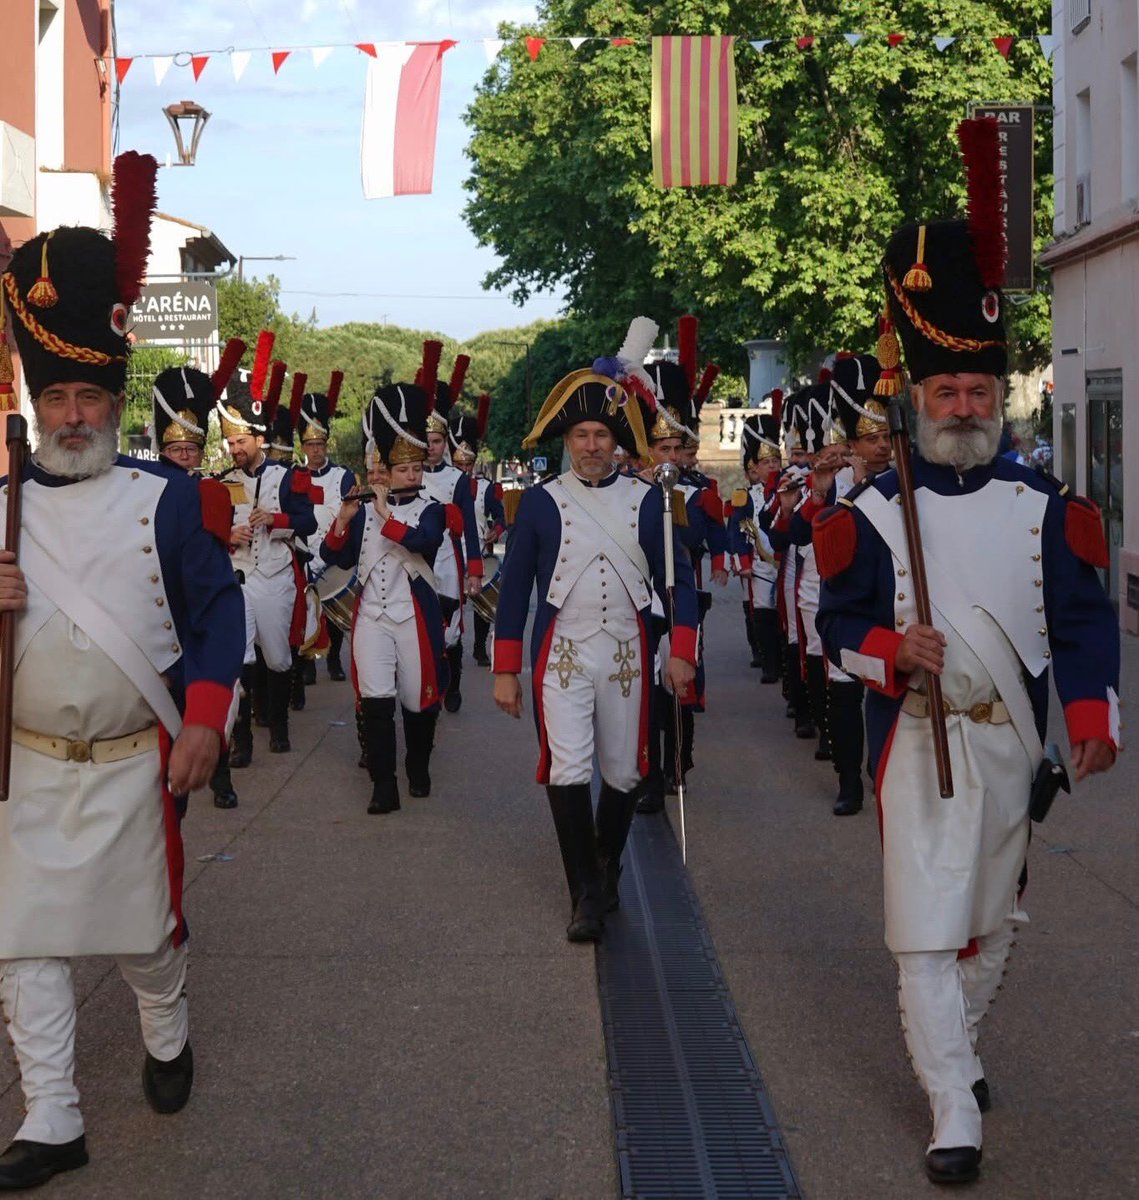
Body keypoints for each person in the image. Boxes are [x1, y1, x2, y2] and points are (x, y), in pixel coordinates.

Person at [816, 118, 1120, 1186]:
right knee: (919, 929)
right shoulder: (867, 512)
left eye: (977, 393)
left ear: (999, 398)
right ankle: (951, 1103)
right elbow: (832, 629)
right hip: (912, 741)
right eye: (943, 393)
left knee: (989, 922)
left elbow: (1081, 623)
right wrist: (885, 650)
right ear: (916, 397)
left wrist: (1090, 715)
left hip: (1006, 751)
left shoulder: (1046, 506)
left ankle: (957, 1042)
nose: (960, 406)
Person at [0, 152, 244, 1190]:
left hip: (134, 758)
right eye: (53, 395)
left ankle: (165, 1022)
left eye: (86, 398)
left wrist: (202, 720)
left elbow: (217, 610)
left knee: (146, 936)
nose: (69, 415)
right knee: (22, 947)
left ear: (111, 398)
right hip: (26, 766)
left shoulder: (167, 499)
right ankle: (52, 1114)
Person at [493, 319, 699, 943]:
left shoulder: (649, 501)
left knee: (625, 771)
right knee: (566, 769)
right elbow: (517, 588)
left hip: (629, 654)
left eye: (601, 435)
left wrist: (682, 650)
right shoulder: (538, 502)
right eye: (581, 435)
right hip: (562, 653)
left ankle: (606, 867)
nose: (590, 445)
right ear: (568, 439)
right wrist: (506, 668)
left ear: (617, 441)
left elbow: (679, 583)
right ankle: (583, 889)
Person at [322, 378, 447, 813]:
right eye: (403, 471)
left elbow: (424, 542)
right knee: (376, 702)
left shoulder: (430, 509)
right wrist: (343, 518)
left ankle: (417, 765)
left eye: (417, 470)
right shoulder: (364, 509)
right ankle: (383, 785)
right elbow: (330, 556)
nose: (411, 476)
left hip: (412, 618)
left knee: (417, 702)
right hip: (372, 617)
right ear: (386, 471)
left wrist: (385, 513)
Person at [151, 343, 245, 809]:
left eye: (191, 448)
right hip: (163, 614)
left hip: (201, 603)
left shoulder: (212, 490)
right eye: (177, 448)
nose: (185, 455)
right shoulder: (146, 489)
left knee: (216, 703)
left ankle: (221, 779)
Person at [216, 335, 316, 762]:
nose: (235, 449)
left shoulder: (290, 477)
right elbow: (211, 529)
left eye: (241, 441)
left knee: (277, 658)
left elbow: (308, 522)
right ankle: (243, 741)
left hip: (275, 577)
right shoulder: (222, 482)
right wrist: (226, 536)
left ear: (258, 436)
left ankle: (279, 725)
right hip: (239, 578)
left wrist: (276, 521)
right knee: (239, 659)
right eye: (231, 443)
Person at [419, 343, 483, 712]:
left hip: (449, 562)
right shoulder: (406, 477)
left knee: (451, 630)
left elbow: (471, 530)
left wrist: (474, 570)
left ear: (447, 443)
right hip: (418, 562)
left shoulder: (458, 480)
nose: (432, 447)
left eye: (438, 441)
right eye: (426, 441)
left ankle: (454, 681)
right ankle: (431, 684)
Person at [298, 372, 352, 682]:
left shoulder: (343, 476)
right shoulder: (294, 476)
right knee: (307, 610)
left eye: (320, 444)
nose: (316, 450)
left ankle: (333, 660)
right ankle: (306, 662)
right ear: (303, 446)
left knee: (332, 607)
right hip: (306, 553)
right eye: (310, 444)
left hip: (332, 550)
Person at [728, 398, 782, 681]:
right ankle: (769, 664)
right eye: (766, 462)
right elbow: (738, 532)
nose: (772, 466)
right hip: (761, 565)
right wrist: (743, 562)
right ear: (754, 467)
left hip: (786, 565)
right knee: (763, 615)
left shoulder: (788, 488)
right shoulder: (745, 497)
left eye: (775, 461)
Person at [449, 397, 505, 668]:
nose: (464, 470)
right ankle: (454, 646)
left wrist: (497, 530)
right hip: (449, 555)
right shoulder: (444, 486)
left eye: (467, 465)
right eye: (459, 465)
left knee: (482, 609)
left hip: (479, 552)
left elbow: (501, 517)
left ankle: (480, 646)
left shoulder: (487, 488)